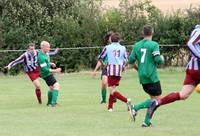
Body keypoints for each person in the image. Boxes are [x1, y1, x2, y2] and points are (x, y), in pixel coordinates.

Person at [148, 13, 200, 120]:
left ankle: (157, 102)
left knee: (183, 95)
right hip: (198, 68)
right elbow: (190, 44)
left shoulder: (196, 30)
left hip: (192, 69)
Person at [129, 25, 164, 127]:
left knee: (153, 101)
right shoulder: (154, 44)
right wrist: (161, 58)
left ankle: (146, 122)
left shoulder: (136, 45)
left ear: (142, 33)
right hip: (152, 76)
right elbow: (158, 60)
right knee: (158, 100)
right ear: (152, 32)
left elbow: (130, 61)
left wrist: (138, 68)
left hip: (142, 78)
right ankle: (135, 108)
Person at [98, 32, 132, 112]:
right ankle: (110, 107)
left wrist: (103, 65)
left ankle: (127, 101)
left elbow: (100, 57)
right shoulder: (123, 48)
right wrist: (123, 66)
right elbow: (126, 60)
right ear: (119, 40)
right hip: (119, 71)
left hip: (111, 71)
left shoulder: (107, 47)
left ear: (111, 40)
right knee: (112, 88)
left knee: (112, 90)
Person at [37, 41, 61, 107]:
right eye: (47, 47)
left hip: (47, 73)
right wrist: (55, 70)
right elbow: (45, 69)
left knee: (51, 88)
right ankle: (53, 103)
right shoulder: (40, 57)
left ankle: (49, 103)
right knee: (57, 86)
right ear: (42, 47)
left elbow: (46, 62)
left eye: (49, 47)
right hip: (46, 74)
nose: (49, 48)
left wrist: (51, 63)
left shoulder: (46, 53)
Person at [92, 31, 113, 104]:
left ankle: (113, 96)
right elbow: (100, 59)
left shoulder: (117, 47)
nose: (111, 38)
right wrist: (95, 70)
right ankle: (104, 100)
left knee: (112, 85)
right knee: (104, 83)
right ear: (108, 39)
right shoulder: (106, 48)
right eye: (110, 37)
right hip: (106, 68)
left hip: (114, 68)